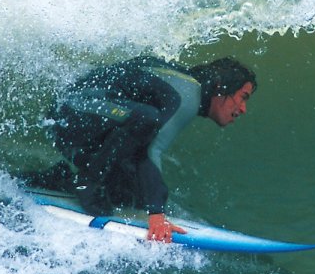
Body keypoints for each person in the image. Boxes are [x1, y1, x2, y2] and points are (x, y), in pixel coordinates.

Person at [26, 56, 256, 243]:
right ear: (220, 87)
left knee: (129, 195)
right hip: (73, 112)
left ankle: (56, 179)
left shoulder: (178, 80)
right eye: (243, 97)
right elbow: (151, 151)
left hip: (71, 115)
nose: (244, 109)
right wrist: (156, 214)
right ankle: (87, 182)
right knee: (146, 119)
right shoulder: (188, 95)